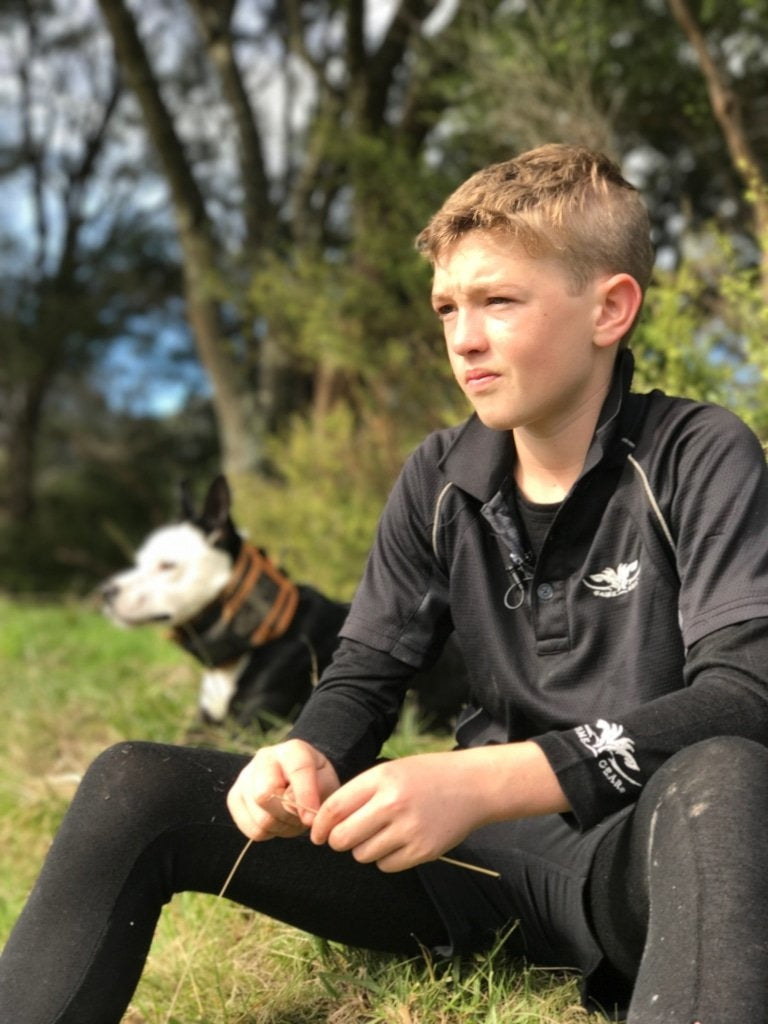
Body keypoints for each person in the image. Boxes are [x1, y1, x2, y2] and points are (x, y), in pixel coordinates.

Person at [3, 143, 768, 1024]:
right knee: (134, 780)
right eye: (448, 307)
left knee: (729, 779)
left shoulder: (698, 453)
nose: (464, 338)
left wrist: (482, 781)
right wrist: (307, 756)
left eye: (499, 302)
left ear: (611, 310)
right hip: (462, 867)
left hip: (641, 864)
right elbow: (365, 668)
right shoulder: (439, 476)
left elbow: (744, 696)